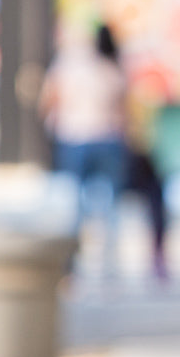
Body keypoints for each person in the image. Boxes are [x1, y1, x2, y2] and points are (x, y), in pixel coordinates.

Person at [40, 21, 128, 273]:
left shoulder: (67, 66)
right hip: (108, 138)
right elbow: (124, 111)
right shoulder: (113, 69)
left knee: (74, 206)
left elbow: (48, 100)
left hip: (74, 138)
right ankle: (110, 265)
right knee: (110, 206)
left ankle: (71, 266)